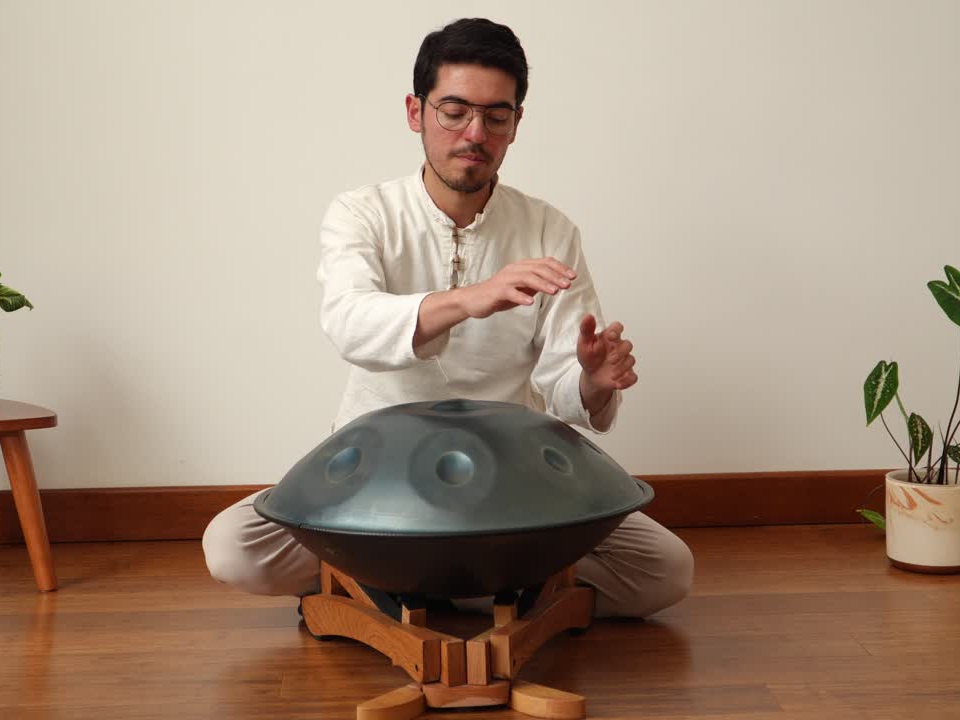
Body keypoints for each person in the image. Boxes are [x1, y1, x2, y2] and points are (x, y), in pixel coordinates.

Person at [204, 18, 692, 618]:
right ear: (416, 112)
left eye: (496, 117)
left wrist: (592, 380)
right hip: (374, 483)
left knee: (665, 571)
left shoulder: (549, 229)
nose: (475, 134)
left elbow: (568, 393)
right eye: (454, 112)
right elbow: (350, 322)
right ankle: (484, 588)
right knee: (234, 548)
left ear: (516, 124)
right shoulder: (362, 213)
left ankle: (398, 587)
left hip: (510, 483)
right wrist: (470, 299)